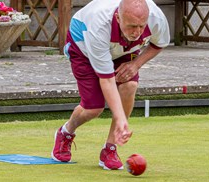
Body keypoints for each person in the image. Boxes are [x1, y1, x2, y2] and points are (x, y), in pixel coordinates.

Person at [51, 0, 170, 170]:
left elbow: (159, 43)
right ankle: (65, 132)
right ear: (118, 18)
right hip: (83, 45)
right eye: (131, 26)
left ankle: (110, 148)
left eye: (141, 27)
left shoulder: (155, 18)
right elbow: (107, 80)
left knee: (129, 85)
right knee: (94, 108)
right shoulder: (98, 26)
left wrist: (136, 64)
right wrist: (121, 118)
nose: (136, 32)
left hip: (124, 48)